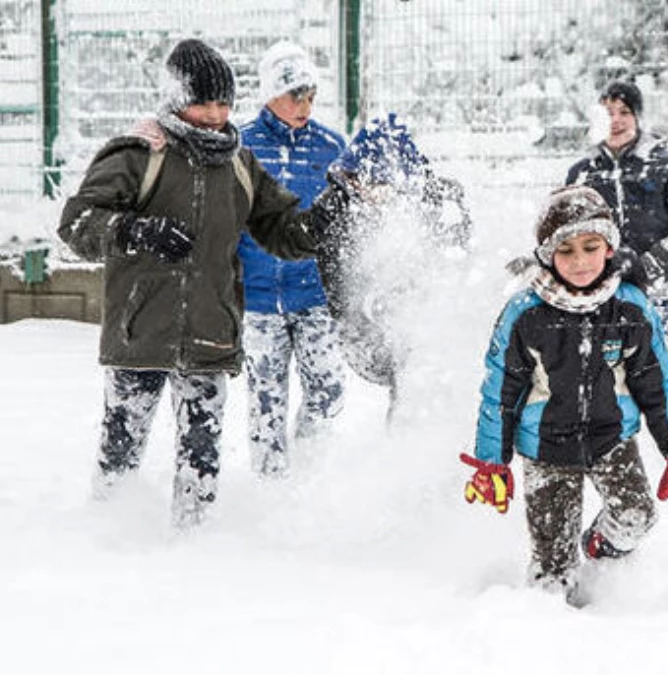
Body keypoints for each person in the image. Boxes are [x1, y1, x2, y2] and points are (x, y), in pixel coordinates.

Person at [57, 39, 341, 528]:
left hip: (211, 334)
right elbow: (77, 224)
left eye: (224, 102)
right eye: (202, 101)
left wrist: (329, 214)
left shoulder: (238, 163)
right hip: (139, 334)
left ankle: (194, 550)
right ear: (174, 99)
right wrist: (133, 230)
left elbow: (284, 230)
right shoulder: (138, 155)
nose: (214, 114)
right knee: (120, 453)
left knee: (201, 459)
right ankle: (105, 543)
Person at [459, 185, 668, 604]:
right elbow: (499, 390)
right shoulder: (525, 313)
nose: (580, 261)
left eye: (591, 246)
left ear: (609, 248)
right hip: (545, 447)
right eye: (566, 251)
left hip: (612, 438)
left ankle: (598, 552)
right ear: (548, 255)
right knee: (553, 571)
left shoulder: (630, 307)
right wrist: (492, 460)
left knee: (636, 515)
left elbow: (657, 384)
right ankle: (551, 631)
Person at [312, 113, 472, 422]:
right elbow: (332, 277)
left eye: (379, 183)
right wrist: (362, 309)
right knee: (405, 358)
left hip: (422, 319)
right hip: (364, 328)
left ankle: (415, 433)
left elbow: (456, 263)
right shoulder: (334, 209)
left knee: (417, 363)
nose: (368, 192)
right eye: (358, 180)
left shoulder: (438, 203)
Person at [238, 41, 347, 477]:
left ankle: (309, 472)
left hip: (314, 296)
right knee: (266, 400)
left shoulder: (331, 147)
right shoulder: (240, 146)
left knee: (328, 390)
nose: (305, 104)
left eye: (310, 94)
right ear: (270, 94)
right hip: (258, 299)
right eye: (294, 93)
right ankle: (271, 488)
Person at [564, 80, 668, 337]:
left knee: (653, 362)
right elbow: (565, 229)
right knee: (606, 366)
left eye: (624, 112)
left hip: (658, 284)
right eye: (608, 113)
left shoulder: (662, 166)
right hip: (602, 285)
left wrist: (660, 257)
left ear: (638, 117)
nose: (616, 120)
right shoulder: (583, 173)